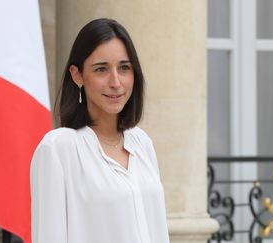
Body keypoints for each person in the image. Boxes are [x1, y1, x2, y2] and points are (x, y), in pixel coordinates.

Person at [30, 18, 170, 243]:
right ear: (77, 75)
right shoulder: (58, 149)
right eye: (101, 69)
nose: (116, 82)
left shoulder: (142, 143)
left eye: (124, 68)